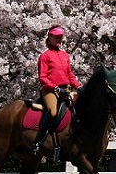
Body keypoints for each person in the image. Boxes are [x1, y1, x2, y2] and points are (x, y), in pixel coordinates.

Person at [31, 25, 81, 155]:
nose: (59, 39)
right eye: (57, 37)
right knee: (53, 112)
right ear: (50, 37)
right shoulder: (45, 56)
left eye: (61, 37)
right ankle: (38, 142)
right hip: (50, 90)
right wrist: (56, 88)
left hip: (66, 89)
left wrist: (78, 86)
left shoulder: (65, 56)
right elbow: (42, 78)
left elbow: (70, 75)